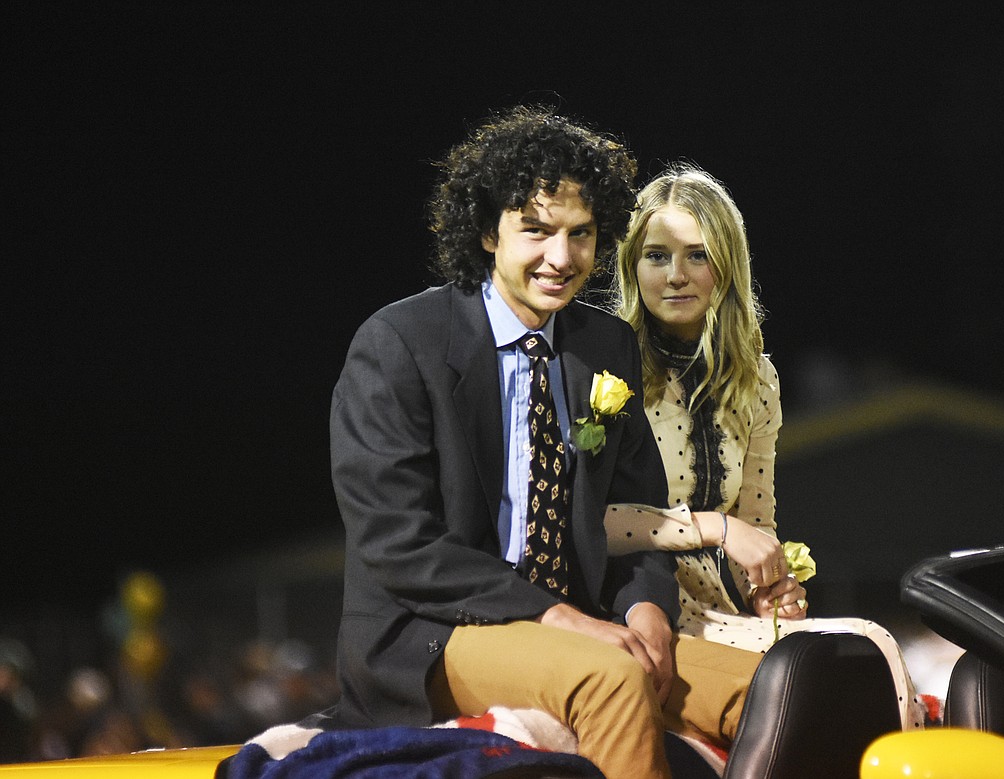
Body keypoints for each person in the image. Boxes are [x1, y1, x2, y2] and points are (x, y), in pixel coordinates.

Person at [322, 107, 767, 778]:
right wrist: (560, 617)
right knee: (611, 676)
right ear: (485, 233)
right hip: (433, 635)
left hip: (585, 626)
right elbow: (398, 544)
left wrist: (647, 608)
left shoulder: (606, 345)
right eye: (536, 230)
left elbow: (635, 517)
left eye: (580, 234)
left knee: (779, 688)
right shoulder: (398, 344)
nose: (562, 258)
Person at [605, 164, 923, 729]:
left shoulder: (756, 379)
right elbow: (587, 523)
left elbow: (756, 520)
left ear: (726, 266)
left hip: (723, 605)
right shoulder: (602, 370)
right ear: (633, 265)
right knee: (826, 686)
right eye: (657, 256)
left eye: (697, 255)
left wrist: (773, 592)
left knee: (871, 651)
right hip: (637, 604)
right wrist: (718, 529)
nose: (676, 275)